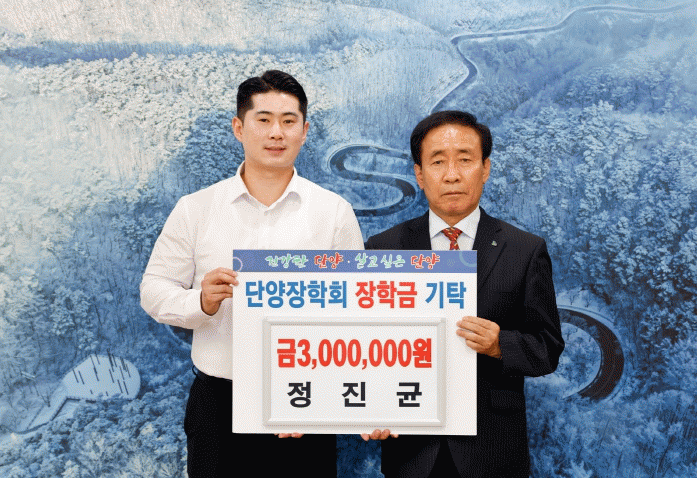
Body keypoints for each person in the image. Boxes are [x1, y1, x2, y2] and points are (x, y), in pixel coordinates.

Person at [140, 70, 364, 477]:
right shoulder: (196, 208)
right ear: (239, 128)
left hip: (304, 399)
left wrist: (326, 393)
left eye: (288, 121)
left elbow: (356, 309)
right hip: (219, 403)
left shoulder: (333, 212)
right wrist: (201, 301)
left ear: (304, 131)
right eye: (263, 120)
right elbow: (154, 290)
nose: (276, 132)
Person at [362, 110, 564, 477]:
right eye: (438, 161)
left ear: (485, 168)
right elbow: (364, 346)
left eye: (465, 160)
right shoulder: (383, 248)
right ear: (419, 174)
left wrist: (500, 344)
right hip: (411, 452)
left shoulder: (524, 249)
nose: (452, 175)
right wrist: (370, 408)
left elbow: (547, 348)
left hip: (492, 451)